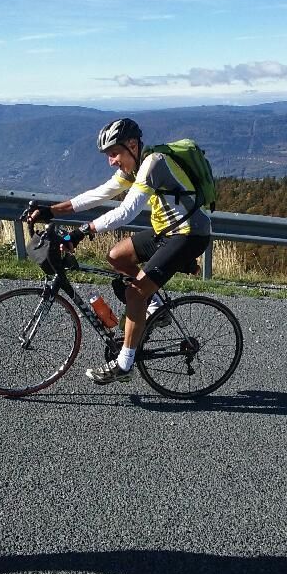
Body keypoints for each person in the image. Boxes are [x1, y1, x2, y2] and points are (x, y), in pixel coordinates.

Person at [28, 117, 212, 385]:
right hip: (167, 232)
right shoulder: (135, 166)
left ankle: (125, 364)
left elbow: (126, 211)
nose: (111, 161)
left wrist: (82, 231)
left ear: (133, 145)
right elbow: (99, 194)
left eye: (114, 153)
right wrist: (52, 210)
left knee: (134, 294)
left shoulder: (154, 164)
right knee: (117, 255)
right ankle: (157, 308)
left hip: (189, 235)